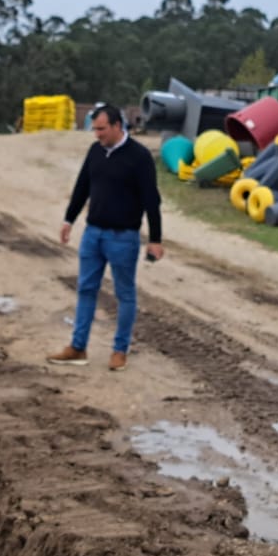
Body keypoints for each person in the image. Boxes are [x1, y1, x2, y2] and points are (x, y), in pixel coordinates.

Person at [49, 104, 163, 371]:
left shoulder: (140, 156)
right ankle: (78, 347)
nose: (96, 134)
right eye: (94, 129)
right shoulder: (95, 151)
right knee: (86, 289)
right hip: (93, 234)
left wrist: (155, 239)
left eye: (101, 129)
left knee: (124, 294)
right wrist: (69, 219)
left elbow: (151, 201)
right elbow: (82, 186)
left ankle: (119, 351)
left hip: (123, 238)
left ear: (116, 126)